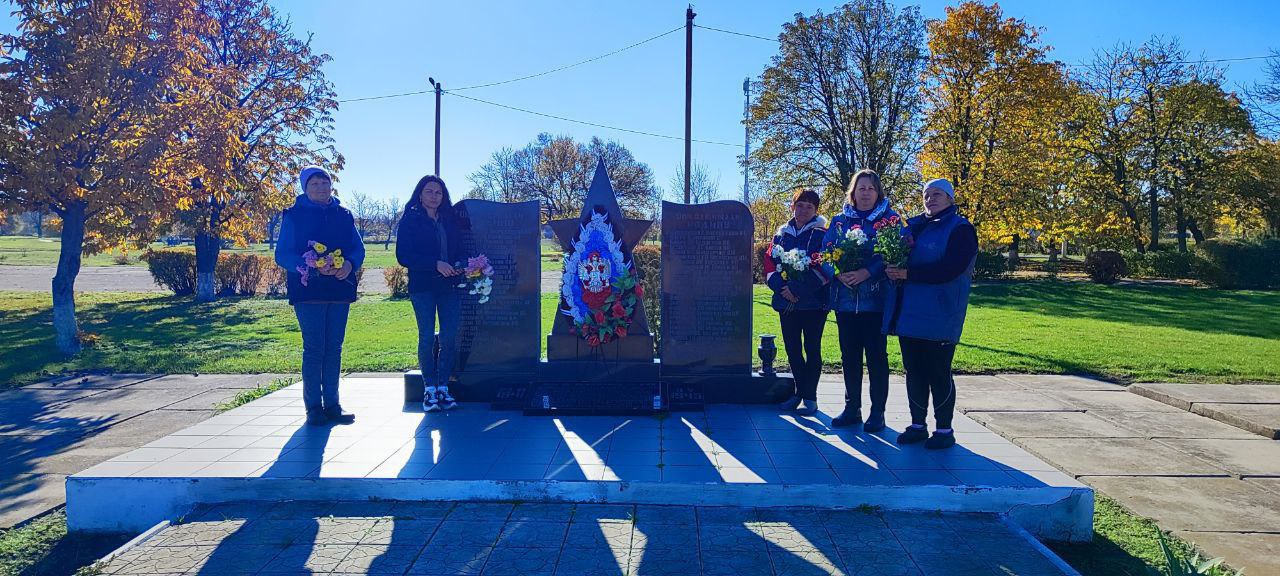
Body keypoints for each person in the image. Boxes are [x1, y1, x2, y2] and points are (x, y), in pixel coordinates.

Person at [884, 178, 977, 449]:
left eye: (937, 194)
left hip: (941, 312)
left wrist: (909, 274)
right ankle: (917, 425)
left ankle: (944, 430)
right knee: (913, 370)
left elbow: (952, 268)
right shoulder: (913, 227)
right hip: (910, 312)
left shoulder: (960, 229)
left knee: (938, 371)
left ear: (950, 199)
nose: (930, 199)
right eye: (926, 194)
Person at [274, 165, 364, 426]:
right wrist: (309, 264)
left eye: (325, 183)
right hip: (308, 290)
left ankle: (333, 405)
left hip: (339, 288)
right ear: (305, 188)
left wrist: (349, 264)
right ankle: (314, 407)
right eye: (314, 184)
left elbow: (357, 249)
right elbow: (283, 254)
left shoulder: (344, 215)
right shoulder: (293, 215)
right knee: (314, 349)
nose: (321, 188)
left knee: (334, 348)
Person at [822, 169, 897, 431]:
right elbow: (825, 253)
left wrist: (867, 272)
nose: (865, 193)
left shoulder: (889, 220)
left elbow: (892, 253)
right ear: (852, 192)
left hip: (874, 301)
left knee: (877, 357)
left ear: (878, 193)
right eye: (860, 188)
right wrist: (838, 273)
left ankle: (878, 413)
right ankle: (852, 407)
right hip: (845, 301)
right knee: (849, 356)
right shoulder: (839, 221)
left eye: (870, 188)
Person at [396, 175, 464, 412]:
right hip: (423, 287)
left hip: (449, 287)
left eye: (438, 192)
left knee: (448, 337)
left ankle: (443, 387)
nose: (434, 196)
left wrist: (462, 264)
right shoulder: (410, 221)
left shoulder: (449, 220)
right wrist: (434, 264)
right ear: (420, 194)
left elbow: (459, 249)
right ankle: (429, 389)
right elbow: (404, 256)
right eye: (429, 191)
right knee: (426, 337)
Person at [764, 188, 830, 416]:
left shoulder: (822, 234)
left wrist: (798, 289)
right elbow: (770, 263)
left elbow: (825, 266)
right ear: (792, 206)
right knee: (793, 349)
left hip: (813, 303)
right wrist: (783, 289)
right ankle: (799, 393)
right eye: (799, 205)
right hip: (786, 302)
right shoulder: (781, 233)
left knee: (812, 349)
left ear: (816, 210)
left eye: (809, 207)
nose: (803, 210)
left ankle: (810, 398)